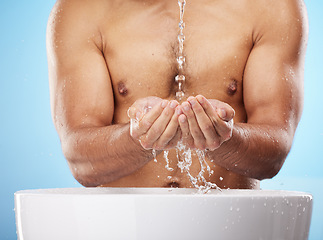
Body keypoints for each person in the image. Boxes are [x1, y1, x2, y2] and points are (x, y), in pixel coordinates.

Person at [47, 0, 308, 189]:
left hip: (229, 223)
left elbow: (273, 156)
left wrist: (226, 138)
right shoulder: (81, 9)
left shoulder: (272, 6)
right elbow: (80, 161)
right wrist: (138, 138)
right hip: (126, 223)